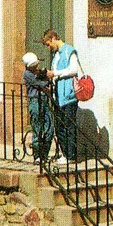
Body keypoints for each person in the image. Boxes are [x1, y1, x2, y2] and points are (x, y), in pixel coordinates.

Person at [42, 29, 80, 162]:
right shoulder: (56, 55)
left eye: (48, 44)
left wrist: (56, 73)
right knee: (59, 127)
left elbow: (73, 70)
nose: (49, 47)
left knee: (69, 126)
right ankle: (65, 153)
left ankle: (71, 156)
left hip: (69, 95)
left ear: (53, 38)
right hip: (58, 96)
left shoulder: (70, 51)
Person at [22, 52, 53, 164]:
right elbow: (38, 83)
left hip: (44, 100)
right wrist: (46, 78)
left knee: (49, 128)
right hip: (35, 101)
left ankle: (45, 154)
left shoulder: (37, 72)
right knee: (37, 128)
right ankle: (37, 156)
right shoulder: (27, 74)